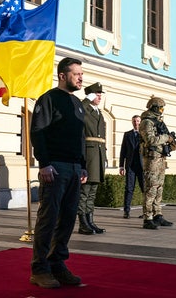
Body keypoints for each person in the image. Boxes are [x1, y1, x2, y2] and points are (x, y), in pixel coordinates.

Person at [29, 57, 88, 289]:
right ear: (62, 75)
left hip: (74, 169)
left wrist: (82, 164)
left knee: (67, 220)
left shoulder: (78, 104)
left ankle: (57, 265)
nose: (81, 78)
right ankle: (39, 269)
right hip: (54, 168)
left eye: (82, 74)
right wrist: (44, 163)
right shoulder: (48, 99)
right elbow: (38, 132)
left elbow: (80, 138)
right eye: (77, 74)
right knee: (48, 219)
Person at [138, 97, 174, 230]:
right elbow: (150, 140)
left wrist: (171, 143)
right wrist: (166, 138)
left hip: (160, 158)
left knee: (159, 188)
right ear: (153, 107)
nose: (161, 111)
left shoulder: (158, 122)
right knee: (151, 189)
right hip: (151, 160)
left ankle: (158, 214)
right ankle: (148, 218)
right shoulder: (147, 122)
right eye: (160, 108)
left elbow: (164, 138)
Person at [77, 82, 107, 235]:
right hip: (89, 156)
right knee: (84, 191)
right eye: (97, 94)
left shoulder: (98, 112)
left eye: (101, 94)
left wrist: (105, 157)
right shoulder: (85, 109)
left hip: (99, 156)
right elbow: (78, 110)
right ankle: (83, 224)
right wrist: (86, 100)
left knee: (92, 191)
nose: (100, 97)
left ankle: (90, 222)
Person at [119, 115, 144, 219]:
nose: (136, 123)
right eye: (134, 121)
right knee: (129, 189)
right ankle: (126, 211)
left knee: (145, 189)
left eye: (138, 121)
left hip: (142, 167)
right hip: (130, 167)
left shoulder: (145, 135)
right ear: (132, 122)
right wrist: (121, 166)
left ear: (141, 122)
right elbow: (123, 151)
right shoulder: (127, 134)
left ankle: (146, 212)